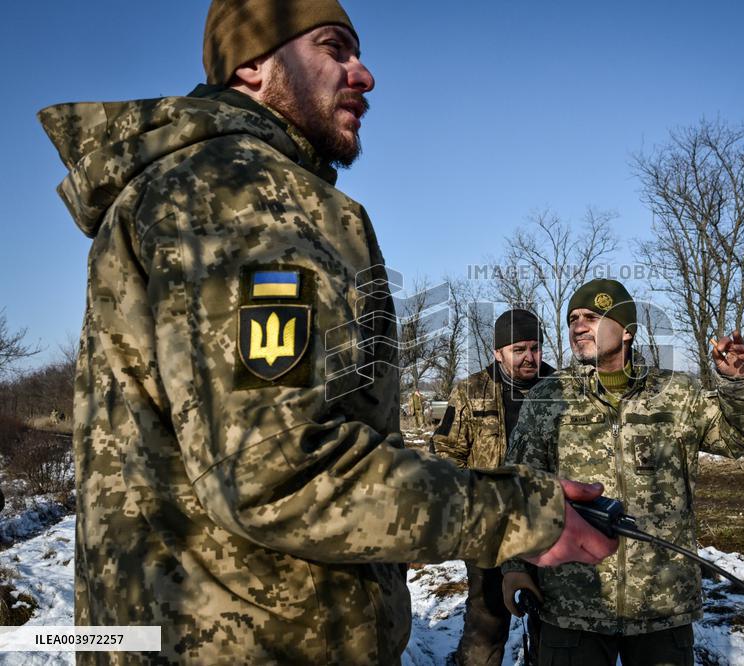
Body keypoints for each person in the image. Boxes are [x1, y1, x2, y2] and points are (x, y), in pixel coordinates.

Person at [39, 2, 618, 663]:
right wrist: (523, 514)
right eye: (334, 48)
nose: (364, 74)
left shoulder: (181, 189)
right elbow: (276, 471)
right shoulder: (243, 190)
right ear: (253, 66)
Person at [501, 279, 744, 666]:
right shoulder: (549, 398)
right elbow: (519, 488)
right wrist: (514, 566)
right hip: (574, 600)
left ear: (627, 330)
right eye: (573, 318)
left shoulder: (676, 394)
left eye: (593, 317)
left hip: (661, 602)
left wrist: (742, 383)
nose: (578, 326)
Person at [433, 309, 556, 666]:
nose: (529, 357)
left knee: (551, 620)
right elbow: (445, 451)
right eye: (518, 349)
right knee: (486, 618)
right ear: (497, 352)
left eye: (535, 348)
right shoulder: (471, 391)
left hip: (546, 524)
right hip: (490, 528)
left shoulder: (559, 388)